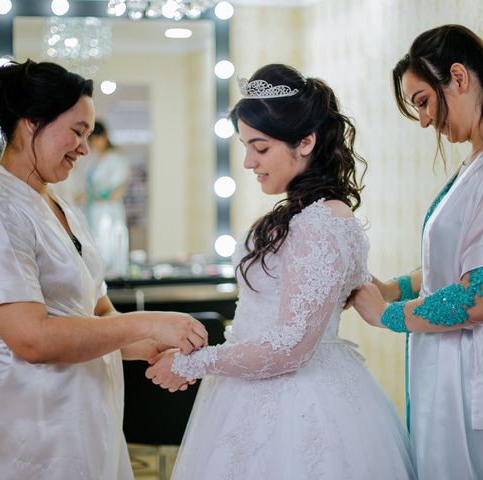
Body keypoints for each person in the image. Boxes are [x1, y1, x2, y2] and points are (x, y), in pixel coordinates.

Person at [146, 64, 415, 479]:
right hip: (255, 386)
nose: (249, 161)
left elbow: (290, 346)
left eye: (261, 147)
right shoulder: (308, 215)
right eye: (245, 146)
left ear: (306, 141)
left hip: (297, 400)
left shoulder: (320, 224)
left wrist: (191, 364)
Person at [0, 59, 208, 480]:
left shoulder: (59, 206)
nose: (85, 148)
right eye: (77, 132)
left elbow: (98, 316)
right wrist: (151, 322)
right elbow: (31, 339)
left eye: (87, 135)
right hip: (32, 426)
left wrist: (154, 347)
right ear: (32, 123)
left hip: (91, 418)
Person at [349, 25, 483, 479]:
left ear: (459, 78)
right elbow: (452, 264)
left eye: (423, 101)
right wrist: (390, 288)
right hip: (447, 367)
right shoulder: (482, 163)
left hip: (478, 376)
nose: (425, 121)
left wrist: (386, 315)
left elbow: (479, 296)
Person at [84, 121, 131, 278]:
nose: (94, 144)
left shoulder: (116, 159)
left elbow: (116, 192)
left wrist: (92, 197)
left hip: (108, 212)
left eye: (96, 139)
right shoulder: (94, 159)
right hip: (93, 212)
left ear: (104, 137)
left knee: (110, 247)